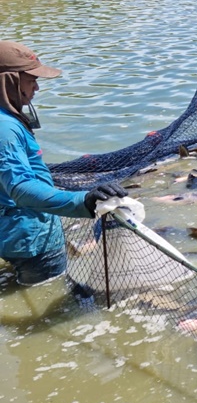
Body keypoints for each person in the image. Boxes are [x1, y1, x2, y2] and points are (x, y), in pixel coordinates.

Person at [0, 41, 127, 286]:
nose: (37, 87)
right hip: (32, 238)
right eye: (31, 80)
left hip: (9, 233)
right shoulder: (6, 128)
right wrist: (83, 201)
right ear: (8, 82)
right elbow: (21, 188)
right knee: (52, 291)